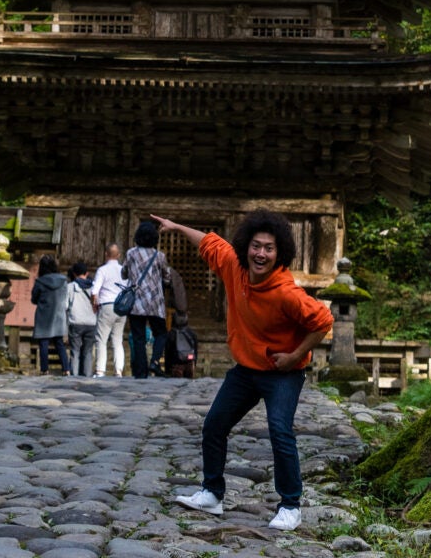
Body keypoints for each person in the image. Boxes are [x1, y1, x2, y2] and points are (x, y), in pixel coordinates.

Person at [152, 209, 334, 533]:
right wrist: (176, 225)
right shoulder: (234, 266)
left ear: (279, 253)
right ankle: (212, 493)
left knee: (280, 431)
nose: (260, 253)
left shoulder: (286, 292)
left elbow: (323, 322)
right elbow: (209, 241)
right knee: (214, 424)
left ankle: (290, 506)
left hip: (283, 373)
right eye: (255, 245)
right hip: (247, 370)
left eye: (268, 248)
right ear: (246, 246)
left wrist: (294, 357)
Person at [123, 219, 171, 379]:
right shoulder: (159, 256)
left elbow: (124, 273)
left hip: (136, 302)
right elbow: (167, 277)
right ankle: (155, 361)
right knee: (161, 333)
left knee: (138, 337)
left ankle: (140, 372)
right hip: (155, 302)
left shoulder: (131, 253)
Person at [31, 254, 71, 375]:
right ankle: (66, 369)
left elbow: (34, 299)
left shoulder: (39, 281)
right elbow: (65, 297)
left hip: (44, 315)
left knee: (43, 342)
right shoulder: (63, 281)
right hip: (59, 314)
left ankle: (44, 370)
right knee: (59, 342)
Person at [92, 242, 127, 377]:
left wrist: (94, 305)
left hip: (107, 305)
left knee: (101, 339)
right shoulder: (123, 270)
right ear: (118, 255)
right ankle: (118, 370)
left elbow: (95, 291)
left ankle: (100, 370)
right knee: (117, 340)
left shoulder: (102, 270)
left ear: (106, 254)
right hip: (121, 307)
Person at [66, 260, 97, 377]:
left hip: (76, 322)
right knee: (88, 351)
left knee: (75, 351)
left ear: (74, 273)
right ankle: (87, 375)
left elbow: (65, 305)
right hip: (91, 322)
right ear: (87, 273)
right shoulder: (94, 287)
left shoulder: (70, 287)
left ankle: (74, 376)